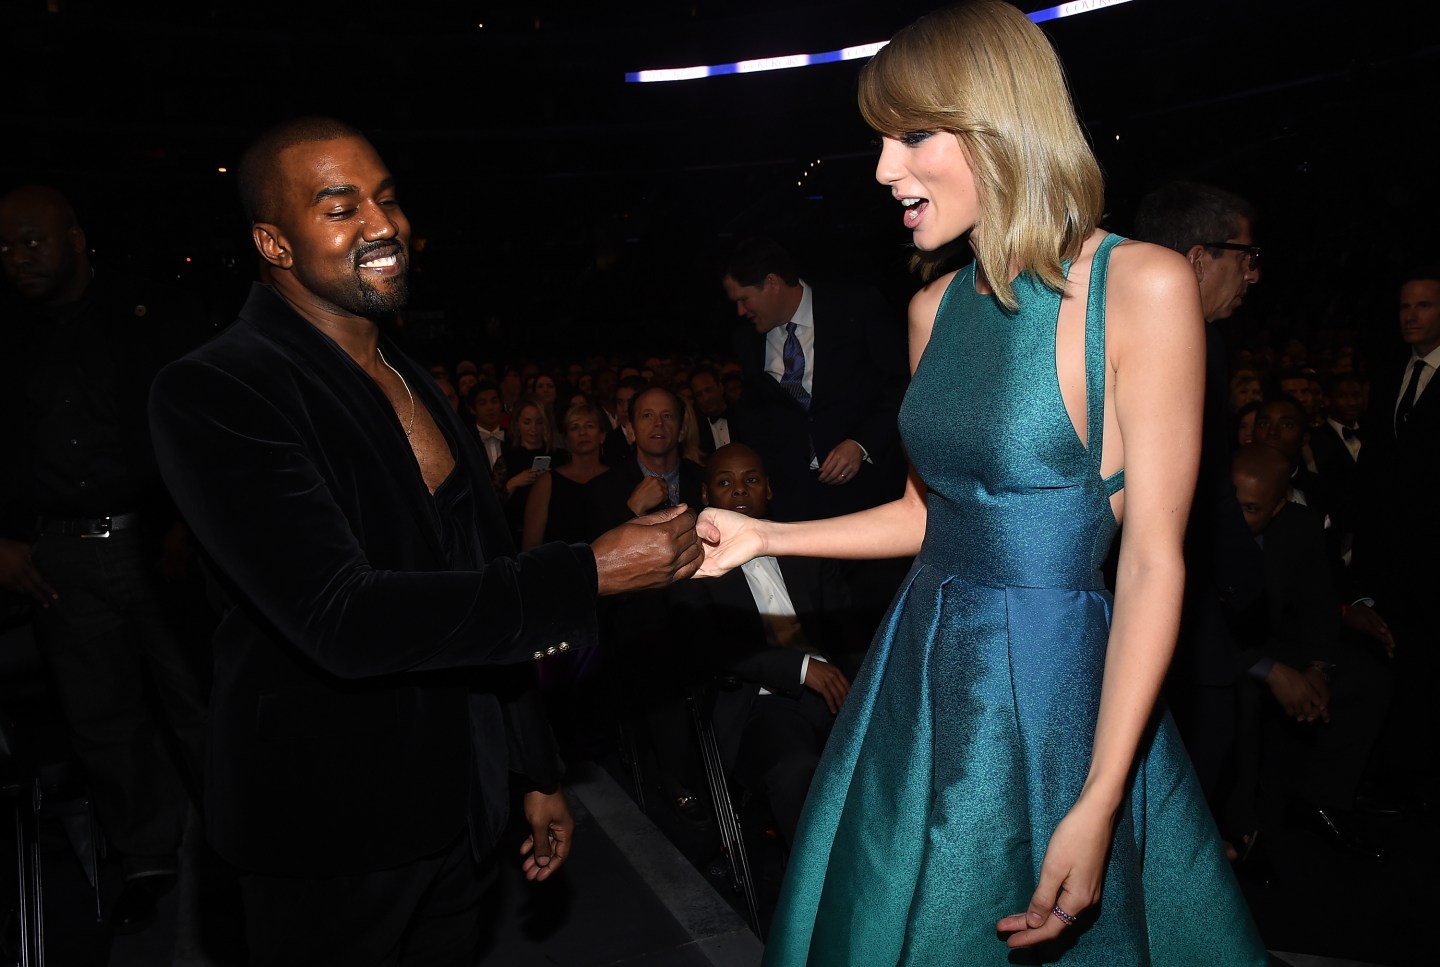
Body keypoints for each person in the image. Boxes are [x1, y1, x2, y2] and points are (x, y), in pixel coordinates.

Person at [695, 4, 1268, 963]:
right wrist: (769, 537)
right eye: (882, 141)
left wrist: (1100, 796)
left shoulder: (1145, 286)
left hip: (1057, 691)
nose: (884, 170)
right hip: (916, 675)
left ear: (1003, 122)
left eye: (914, 135)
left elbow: (1155, 564)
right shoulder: (931, 309)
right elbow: (930, 517)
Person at [147, 116, 701, 965]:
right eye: (340, 207)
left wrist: (534, 767)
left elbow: (479, 573)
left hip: (462, 802)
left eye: (388, 198)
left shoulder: (406, 370)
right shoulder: (217, 389)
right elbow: (342, 616)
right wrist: (588, 572)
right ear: (274, 241)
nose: (382, 225)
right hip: (327, 824)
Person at [0, 184, 211, 934]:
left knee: (197, 696)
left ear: (75, 238)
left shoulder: (150, 313)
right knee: (101, 716)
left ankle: (233, 837)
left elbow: (199, 419)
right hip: (56, 552)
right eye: (5, 247)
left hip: (157, 539)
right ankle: (145, 852)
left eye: (31, 241)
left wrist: (191, 518)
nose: (17, 257)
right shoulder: (7, 334)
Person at [669, 444, 855, 849]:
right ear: (705, 496)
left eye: (750, 480)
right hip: (759, 704)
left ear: (769, 490)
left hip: (837, 691)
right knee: (796, 768)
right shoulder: (693, 569)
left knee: (890, 747)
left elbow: (850, 626)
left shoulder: (804, 545)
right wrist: (802, 668)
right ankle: (811, 891)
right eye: (725, 482)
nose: (739, 491)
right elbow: (712, 649)